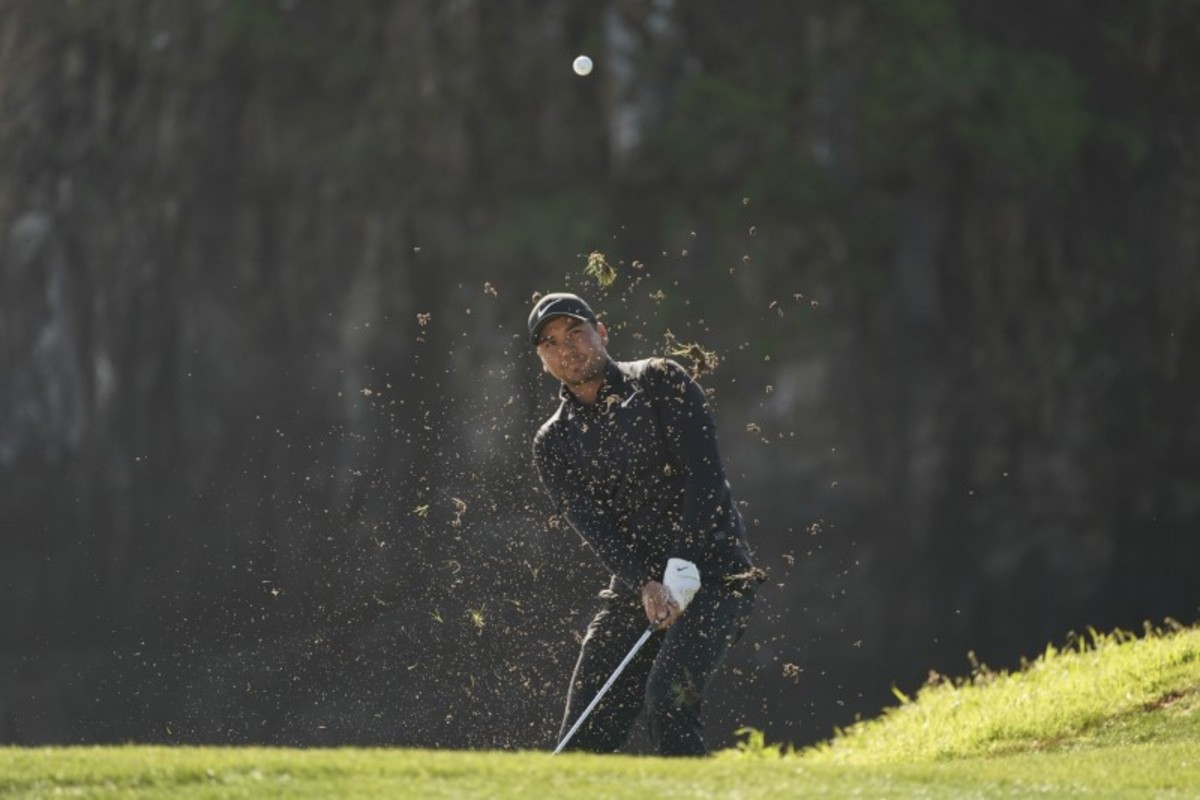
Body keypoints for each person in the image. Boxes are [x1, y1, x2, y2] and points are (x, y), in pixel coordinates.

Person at [528, 291, 760, 757]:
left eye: (575, 332)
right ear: (542, 360)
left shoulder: (659, 380)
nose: (567, 349)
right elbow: (595, 529)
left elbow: (705, 476)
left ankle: (697, 790)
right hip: (638, 586)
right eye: (551, 343)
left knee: (669, 701)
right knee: (584, 733)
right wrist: (645, 583)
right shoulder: (553, 441)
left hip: (717, 574)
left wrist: (684, 563)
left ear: (602, 333)